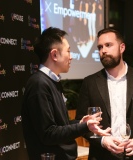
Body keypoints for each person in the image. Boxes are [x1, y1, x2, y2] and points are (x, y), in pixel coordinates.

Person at [21, 27, 110, 160]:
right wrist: (84, 127)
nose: (72, 57)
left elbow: (59, 125)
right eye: (68, 51)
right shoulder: (39, 84)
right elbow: (48, 134)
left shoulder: (52, 81)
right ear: (55, 54)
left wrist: (80, 122)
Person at [75, 28, 133, 160]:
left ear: (122, 47)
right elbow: (81, 122)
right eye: (100, 47)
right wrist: (102, 140)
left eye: (108, 45)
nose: (103, 50)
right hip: (103, 155)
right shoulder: (90, 82)